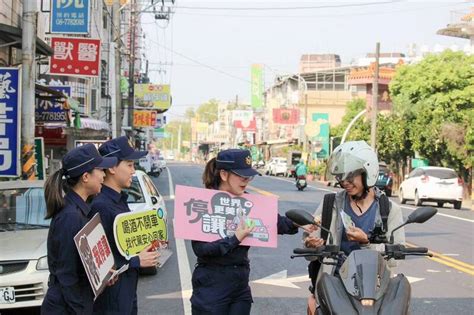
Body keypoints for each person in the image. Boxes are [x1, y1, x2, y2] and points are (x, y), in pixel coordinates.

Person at [191, 149, 314, 315]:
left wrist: (300, 223)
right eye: (241, 176)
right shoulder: (203, 202)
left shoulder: (249, 202)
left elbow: (275, 222)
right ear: (224, 174)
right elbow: (201, 250)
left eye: (249, 176)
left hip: (240, 286)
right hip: (211, 287)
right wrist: (235, 238)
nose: (246, 180)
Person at [303, 141, 405, 309]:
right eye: (341, 178)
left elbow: (395, 258)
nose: (345, 183)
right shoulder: (330, 204)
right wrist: (311, 245)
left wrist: (366, 243)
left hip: (375, 289)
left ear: (368, 172)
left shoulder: (389, 210)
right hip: (334, 286)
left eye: (350, 177)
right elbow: (310, 250)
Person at [41, 144, 117, 315]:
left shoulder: (79, 210)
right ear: (85, 177)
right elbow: (67, 275)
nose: (104, 175)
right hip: (67, 307)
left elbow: (80, 263)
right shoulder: (71, 216)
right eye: (100, 170)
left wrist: (103, 274)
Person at [90, 136, 160, 315]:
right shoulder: (101, 206)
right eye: (129, 165)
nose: (133, 171)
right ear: (112, 168)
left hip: (127, 289)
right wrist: (136, 261)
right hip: (111, 297)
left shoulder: (119, 200)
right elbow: (99, 261)